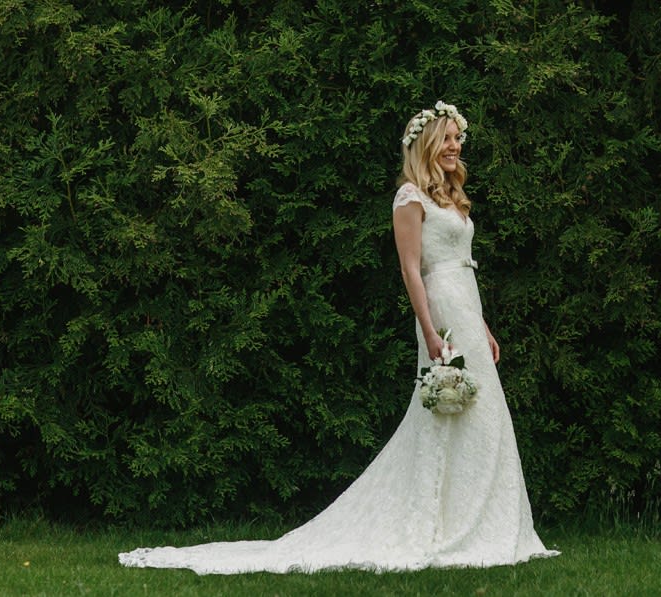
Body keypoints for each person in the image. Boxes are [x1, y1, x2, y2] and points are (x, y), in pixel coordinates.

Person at [118, 101, 559, 574]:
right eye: (447, 139)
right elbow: (412, 269)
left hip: (466, 306)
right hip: (442, 311)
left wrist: (484, 326)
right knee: (456, 408)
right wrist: (430, 330)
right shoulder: (410, 197)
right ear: (428, 144)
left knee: (482, 412)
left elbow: (463, 267)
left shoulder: (451, 195)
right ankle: (444, 522)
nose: (455, 147)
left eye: (458, 139)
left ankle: (481, 521)